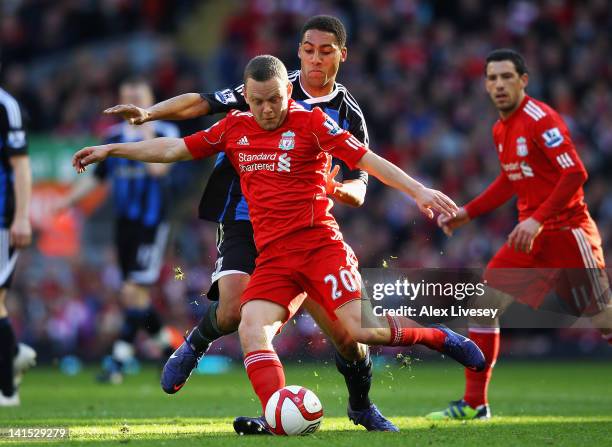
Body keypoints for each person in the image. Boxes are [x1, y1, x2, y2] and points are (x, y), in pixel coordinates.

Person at [73, 54, 486, 432]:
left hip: (320, 247)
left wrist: (418, 191)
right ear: (246, 99)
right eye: (257, 102)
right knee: (251, 328)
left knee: (362, 332)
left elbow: (366, 161)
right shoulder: (234, 127)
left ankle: (441, 338)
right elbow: (175, 149)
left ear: (289, 91)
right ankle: (277, 414)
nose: (267, 109)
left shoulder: (313, 123)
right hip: (273, 258)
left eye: (274, 100)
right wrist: (113, 149)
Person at [105, 15, 394, 432]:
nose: (315, 59)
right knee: (233, 312)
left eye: (325, 51)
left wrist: (347, 191)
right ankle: (201, 347)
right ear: (299, 51)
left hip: (303, 227)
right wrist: (150, 112)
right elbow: (203, 102)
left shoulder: (348, 113)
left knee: (348, 337)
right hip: (244, 214)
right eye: (308, 50)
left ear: (341, 56)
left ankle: (361, 406)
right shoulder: (269, 85)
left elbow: (362, 181)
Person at [428, 49, 612, 420]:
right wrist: (468, 213)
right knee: (484, 305)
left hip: (566, 232)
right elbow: (509, 179)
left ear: (523, 80)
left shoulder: (541, 119)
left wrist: (537, 219)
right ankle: (475, 403)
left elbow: (575, 174)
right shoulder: (501, 128)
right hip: (530, 238)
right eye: (492, 78)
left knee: (602, 318)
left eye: (506, 77)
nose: (498, 84)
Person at [57, 78, 180, 384]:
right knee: (134, 297)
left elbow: (158, 169)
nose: (133, 100)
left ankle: (117, 363)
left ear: (150, 100)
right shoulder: (111, 137)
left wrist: (148, 123)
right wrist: (65, 201)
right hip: (124, 224)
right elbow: (96, 178)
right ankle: (170, 350)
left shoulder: (166, 132)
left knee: (133, 291)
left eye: (139, 95)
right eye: (128, 96)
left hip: (151, 224)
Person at [0, 82, 36, 406]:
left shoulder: (6, 106)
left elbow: (21, 165)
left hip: (1, 219)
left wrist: (21, 216)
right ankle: (12, 352)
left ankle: (7, 391)